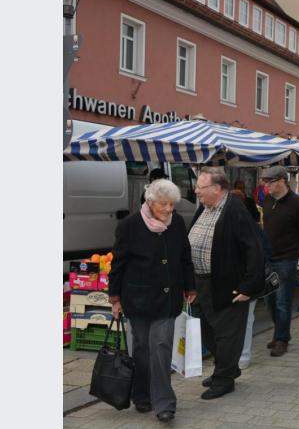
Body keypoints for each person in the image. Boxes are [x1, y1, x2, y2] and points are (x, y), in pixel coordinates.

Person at [109, 179, 196, 422]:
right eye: (164, 205)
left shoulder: (177, 222)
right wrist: (115, 297)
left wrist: (190, 285)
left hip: (167, 300)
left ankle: (164, 403)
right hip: (137, 297)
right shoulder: (130, 225)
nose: (169, 209)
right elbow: (118, 263)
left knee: (160, 348)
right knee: (141, 349)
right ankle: (141, 395)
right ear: (150, 203)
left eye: (171, 205)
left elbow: (184, 256)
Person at [188, 167, 263, 400]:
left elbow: (254, 250)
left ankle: (224, 380)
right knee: (208, 330)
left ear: (217, 189)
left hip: (226, 284)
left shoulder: (234, 210)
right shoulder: (205, 208)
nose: (196, 192)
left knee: (227, 334)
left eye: (200, 188)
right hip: (202, 284)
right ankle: (227, 368)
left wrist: (248, 287)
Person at [261, 165, 299, 357]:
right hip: (268, 258)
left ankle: (281, 339)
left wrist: (295, 249)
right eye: (264, 182)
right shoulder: (267, 201)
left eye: (269, 182)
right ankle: (279, 333)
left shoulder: (296, 203)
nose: (266, 185)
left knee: (283, 301)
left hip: (286, 259)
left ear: (282, 181)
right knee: (270, 301)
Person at [230, 189, 272, 370]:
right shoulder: (251, 224)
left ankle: (242, 356)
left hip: (247, 281)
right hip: (243, 280)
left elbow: (262, 253)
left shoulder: (248, 226)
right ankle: (239, 356)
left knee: (244, 319)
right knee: (244, 320)